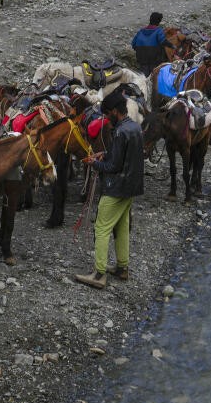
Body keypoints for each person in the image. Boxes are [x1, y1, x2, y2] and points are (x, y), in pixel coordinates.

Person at [75, 89, 144, 289]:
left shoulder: (120, 131)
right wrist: (104, 154)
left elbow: (114, 167)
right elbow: (121, 155)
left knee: (102, 228)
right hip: (131, 188)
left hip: (116, 188)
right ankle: (122, 267)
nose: (106, 117)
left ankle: (99, 274)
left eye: (107, 114)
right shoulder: (134, 127)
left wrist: (93, 163)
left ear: (115, 111)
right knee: (121, 226)